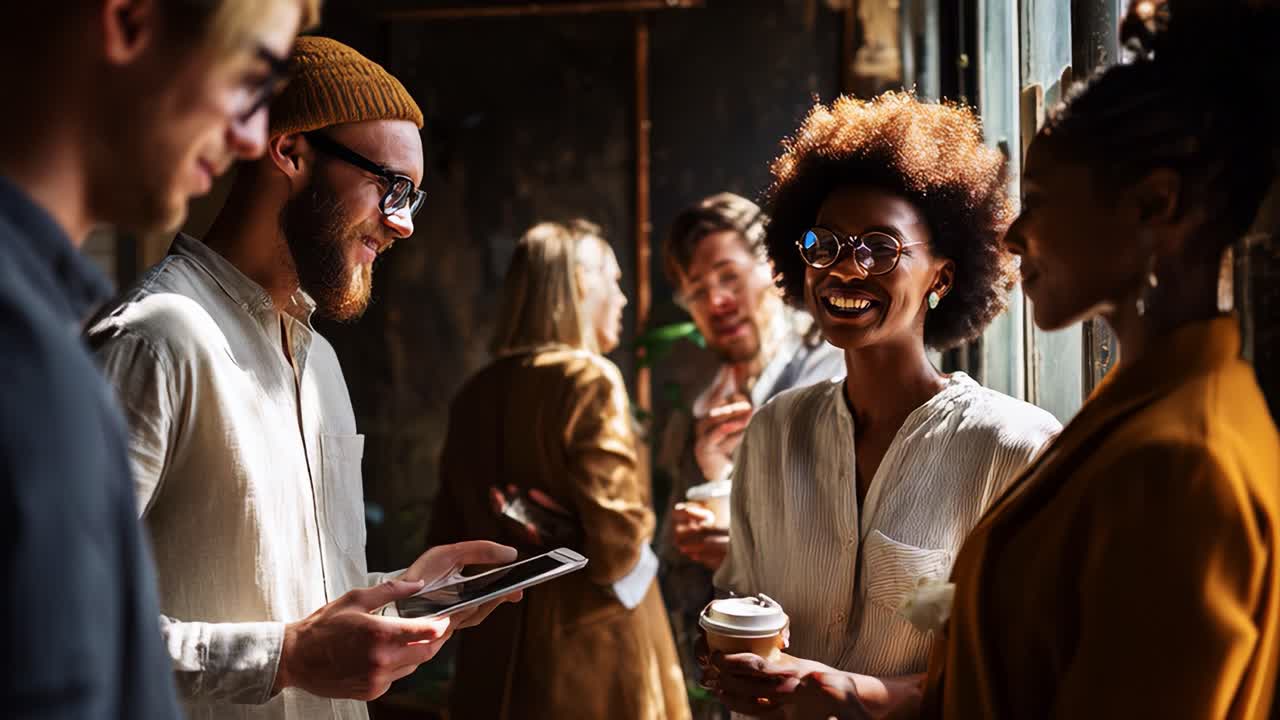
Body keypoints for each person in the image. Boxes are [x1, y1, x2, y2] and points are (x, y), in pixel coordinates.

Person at [786, 3, 1280, 719]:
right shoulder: (1141, 411)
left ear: (1153, 205)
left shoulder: (1180, 461)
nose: (1014, 237)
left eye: (1040, 201)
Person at [87, 37, 519, 720]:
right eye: (391, 187)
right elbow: (47, 618)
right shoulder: (154, 339)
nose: (403, 225)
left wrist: (402, 595)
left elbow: (288, 602)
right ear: (290, 151)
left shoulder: (321, 362)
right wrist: (285, 657)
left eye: (414, 198)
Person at [701, 91, 1062, 718]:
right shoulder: (773, 432)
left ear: (941, 278)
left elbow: (1023, 670)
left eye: (880, 248)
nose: (844, 270)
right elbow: (742, 605)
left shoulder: (1015, 451)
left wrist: (855, 693)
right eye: (824, 245)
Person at [0, 1, 315, 717]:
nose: (250, 138)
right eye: (249, 78)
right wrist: (287, 654)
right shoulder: (50, 357)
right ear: (129, 22)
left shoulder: (48, 336)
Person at [428, 220, 691, 720]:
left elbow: (445, 544)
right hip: (590, 658)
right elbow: (618, 547)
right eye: (613, 280)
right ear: (579, 284)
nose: (623, 299)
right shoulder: (588, 379)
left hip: (492, 659)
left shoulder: (473, 394)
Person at [654, 192, 842, 714]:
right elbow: (669, 561)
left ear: (774, 269)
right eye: (698, 291)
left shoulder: (835, 374)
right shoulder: (697, 411)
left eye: (728, 276)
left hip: (830, 672)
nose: (716, 301)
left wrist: (744, 546)